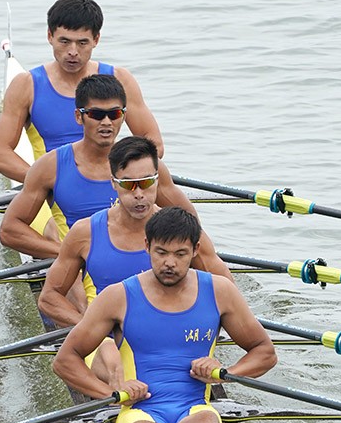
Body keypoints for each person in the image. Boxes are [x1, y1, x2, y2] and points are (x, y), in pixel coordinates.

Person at [52, 207, 277, 423]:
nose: (169, 263)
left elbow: (265, 352)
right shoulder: (118, 296)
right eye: (161, 252)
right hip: (139, 411)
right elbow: (65, 361)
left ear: (196, 250)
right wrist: (110, 394)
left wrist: (225, 373)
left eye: (181, 254)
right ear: (147, 247)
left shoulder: (220, 291)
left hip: (196, 408)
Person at [0, 75, 217, 264]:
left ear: (123, 115)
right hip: (81, 266)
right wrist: (69, 252)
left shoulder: (147, 166)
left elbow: (190, 222)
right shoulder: (49, 166)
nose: (106, 122)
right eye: (96, 114)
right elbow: (10, 230)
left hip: (146, 260)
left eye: (114, 114)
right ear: (78, 116)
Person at [38, 135, 232, 328]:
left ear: (158, 180)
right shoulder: (85, 232)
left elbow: (228, 292)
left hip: (172, 335)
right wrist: (93, 329)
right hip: (109, 343)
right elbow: (49, 298)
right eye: (128, 184)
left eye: (146, 182)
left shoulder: (183, 231)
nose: (139, 194)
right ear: (113, 183)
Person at [0, 0, 163, 185]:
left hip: (109, 181)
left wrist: (125, 176)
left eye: (82, 43)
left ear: (96, 39)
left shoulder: (120, 80)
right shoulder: (26, 86)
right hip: (53, 186)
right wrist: (45, 180)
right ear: (50, 36)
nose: (73, 52)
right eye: (64, 41)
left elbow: (154, 143)